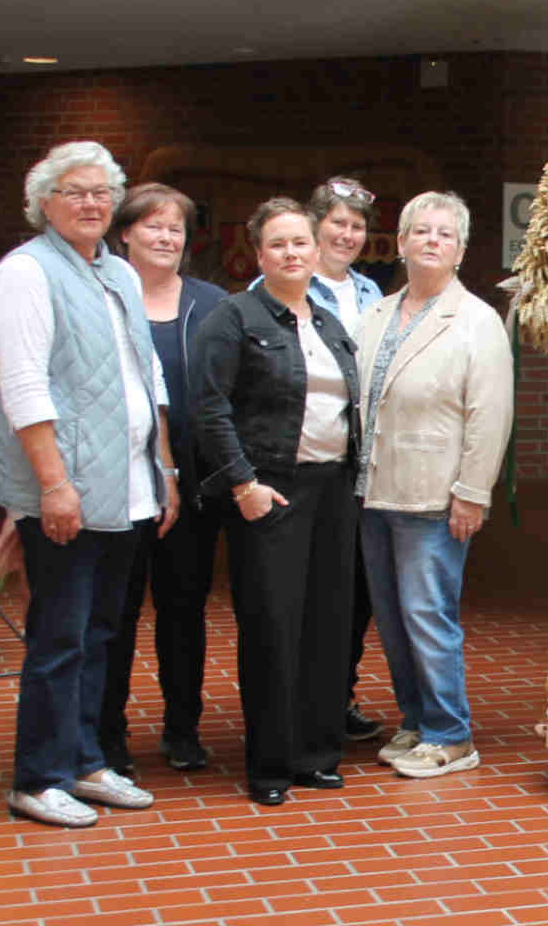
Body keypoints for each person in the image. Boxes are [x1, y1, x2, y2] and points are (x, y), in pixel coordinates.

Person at [0, 141, 179, 828]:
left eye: (101, 191)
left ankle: (87, 761)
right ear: (43, 204)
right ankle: (38, 776)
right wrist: (53, 486)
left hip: (125, 486)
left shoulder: (117, 273)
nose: (91, 203)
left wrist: (166, 471)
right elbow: (23, 384)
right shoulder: (26, 272)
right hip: (65, 490)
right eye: (74, 191)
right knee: (59, 636)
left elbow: (146, 377)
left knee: (101, 634)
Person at [194, 198, 362, 806]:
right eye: (278, 244)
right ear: (258, 254)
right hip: (270, 491)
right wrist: (242, 484)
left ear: (317, 251)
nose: (292, 253)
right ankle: (270, 765)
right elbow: (209, 408)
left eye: (300, 243)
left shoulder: (329, 322)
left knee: (327, 625)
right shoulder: (233, 318)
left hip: (334, 490)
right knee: (271, 626)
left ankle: (316, 755)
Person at [356, 191, 513, 778]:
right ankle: (418, 720)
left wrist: (472, 492)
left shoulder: (476, 321)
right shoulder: (373, 314)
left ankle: (451, 734)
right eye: (420, 231)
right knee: (393, 617)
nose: (431, 241)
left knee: (428, 614)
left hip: (434, 494)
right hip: (373, 490)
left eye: (444, 234)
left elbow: (490, 413)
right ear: (400, 242)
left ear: (460, 250)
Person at [98, 184, 228, 775]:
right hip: (120, 482)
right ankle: (108, 736)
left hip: (193, 486)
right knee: (116, 614)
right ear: (123, 232)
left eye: (175, 227)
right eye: (152, 225)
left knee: (183, 611)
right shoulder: (101, 296)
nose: (165, 236)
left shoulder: (211, 303)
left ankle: (182, 730)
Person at [300, 176, 388, 744]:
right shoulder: (284, 283)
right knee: (308, 588)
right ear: (314, 226)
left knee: (356, 589)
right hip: (308, 458)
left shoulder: (374, 295)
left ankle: (339, 694)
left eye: (357, 226)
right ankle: (300, 700)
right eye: (337, 222)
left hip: (363, 464)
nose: (347, 234)